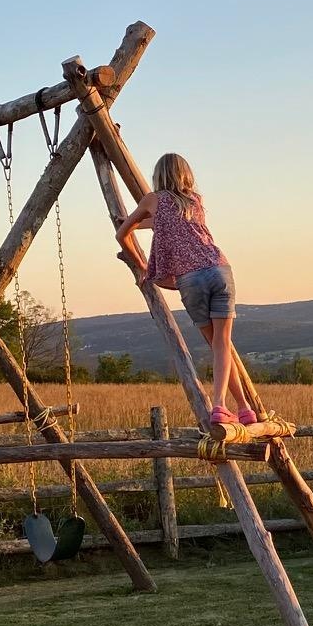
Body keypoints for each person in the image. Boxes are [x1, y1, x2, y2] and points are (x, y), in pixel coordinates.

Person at [114, 153, 252, 424]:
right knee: (223, 345)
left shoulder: (152, 200)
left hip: (190, 279)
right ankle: (244, 408)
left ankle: (220, 406)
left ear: (159, 175)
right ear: (186, 174)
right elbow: (170, 223)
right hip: (219, 270)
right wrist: (141, 223)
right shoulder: (195, 201)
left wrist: (142, 264)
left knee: (216, 345)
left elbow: (122, 234)